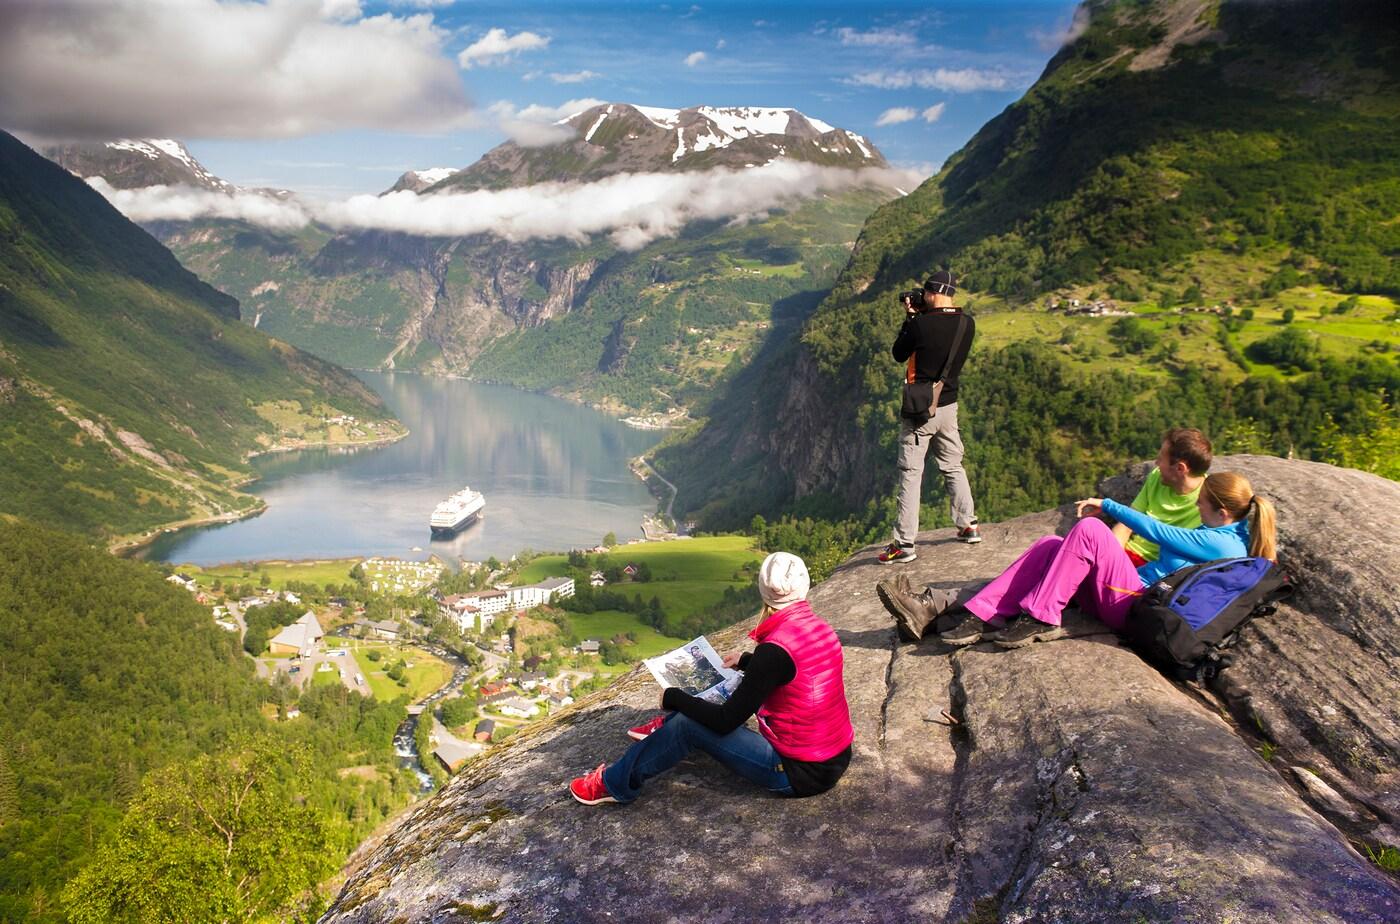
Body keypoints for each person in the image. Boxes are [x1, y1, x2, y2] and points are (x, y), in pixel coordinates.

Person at [569, 552, 854, 806]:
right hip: (834, 758)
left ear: (764, 593)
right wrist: (745, 662)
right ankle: (661, 734)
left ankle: (613, 784)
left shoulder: (773, 651)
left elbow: (725, 721)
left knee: (687, 725)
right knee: (725, 689)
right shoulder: (821, 630)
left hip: (798, 773)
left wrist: (673, 698)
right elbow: (795, 672)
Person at [876, 427, 1212, 641]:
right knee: (1051, 546)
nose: (1156, 460)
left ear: (1180, 467)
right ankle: (948, 616)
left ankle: (1028, 614)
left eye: (1162, 456)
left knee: (1087, 531)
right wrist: (1101, 559)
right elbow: (1127, 525)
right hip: (1115, 573)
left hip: (1134, 592)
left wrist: (1102, 549)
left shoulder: (1205, 509)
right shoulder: (1157, 480)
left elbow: (1174, 565)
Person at [881, 472, 1277, 648]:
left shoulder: (1224, 545)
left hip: (1136, 605)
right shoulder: (1229, 533)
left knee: (1091, 531)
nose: (1198, 505)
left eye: (1203, 502)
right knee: (1052, 544)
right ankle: (983, 612)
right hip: (1131, 594)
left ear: (1223, 510)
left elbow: (1159, 533)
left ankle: (1040, 615)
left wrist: (1107, 505)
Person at [878, 270, 979, 565]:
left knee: (911, 473)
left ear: (932, 293)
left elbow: (899, 353)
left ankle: (904, 544)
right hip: (949, 406)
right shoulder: (966, 323)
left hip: (920, 409)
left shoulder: (920, 325)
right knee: (952, 465)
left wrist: (910, 317)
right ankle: (968, 525)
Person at [1114, 428, 1213, 568]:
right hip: (1127, 555)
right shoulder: (1156, 476)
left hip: (1157, 569)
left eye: (1161, 459)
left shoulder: (1209, 500)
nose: (1156, 463)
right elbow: (1126, 523)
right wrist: (1112, 559)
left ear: (1180, 468)